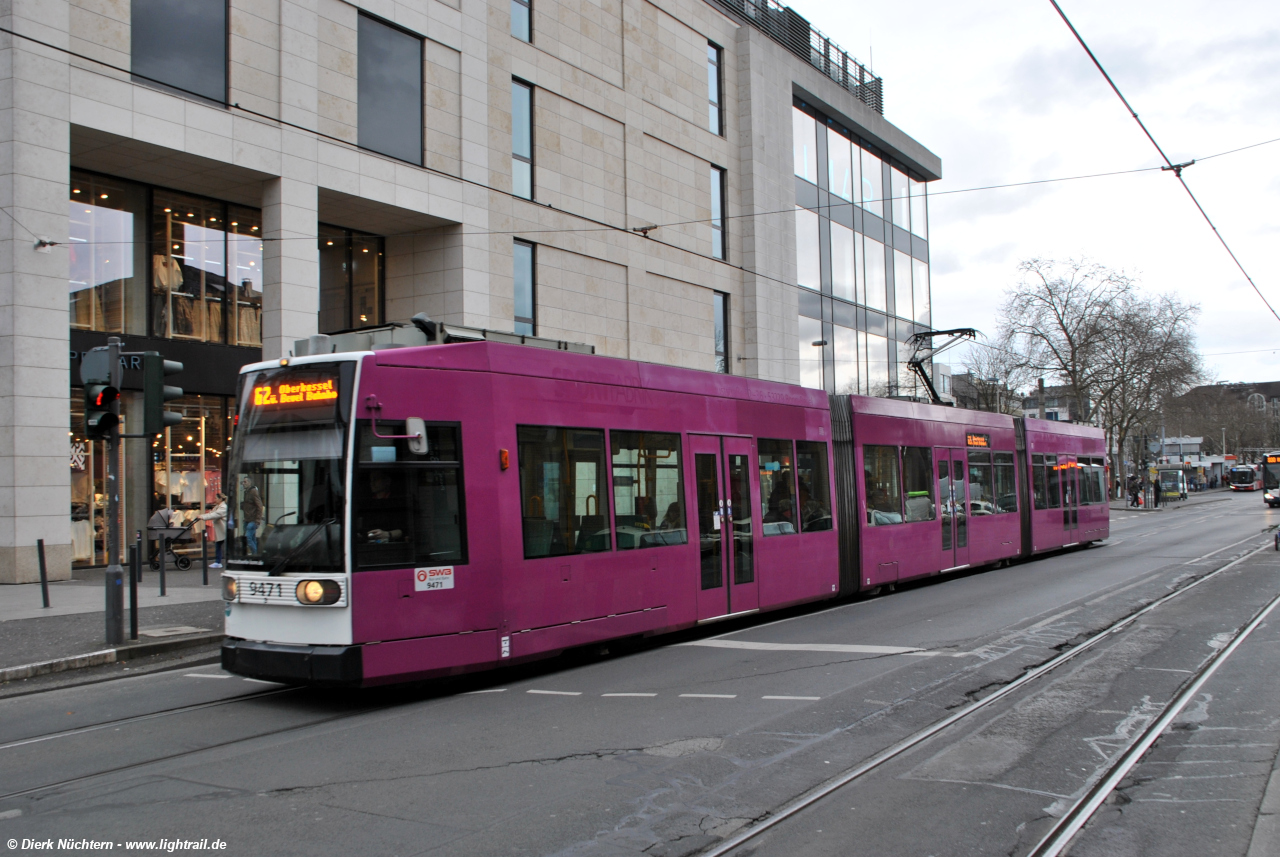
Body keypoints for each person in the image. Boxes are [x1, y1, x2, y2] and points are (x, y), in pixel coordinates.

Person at [198, 492, 228, 568]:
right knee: (219, 545)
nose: (214, 500)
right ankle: (218, 561)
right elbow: (211, 513)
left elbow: (214, 515)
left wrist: (203, 517)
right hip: (221, 530)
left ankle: (220, 562)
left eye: (216, 498)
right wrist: (202, 516)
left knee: (222, 545)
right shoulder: (217, 506)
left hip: (224, 529)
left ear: (220, 499)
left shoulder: (223, 507)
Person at [240, 476, 264, 553]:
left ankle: (255, 555)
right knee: (252, 538)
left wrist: (257, 519)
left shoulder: (253, 491)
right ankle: (256, 554)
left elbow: (259, 506)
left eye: (245, 482)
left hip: (253, 520)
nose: (243, 484)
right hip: (247, 519)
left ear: (250, 483)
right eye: (243, 482)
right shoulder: (246, 492)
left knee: (249, 538)